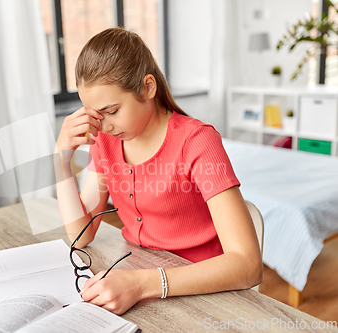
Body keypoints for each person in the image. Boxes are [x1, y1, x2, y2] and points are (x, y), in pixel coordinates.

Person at [54, 27, 262, 315]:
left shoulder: (197, 142)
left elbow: (248, 265)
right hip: (139, 285)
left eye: (112, 111)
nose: (104, 125)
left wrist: (142, 284)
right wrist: (60, 162)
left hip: (202, 296)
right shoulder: (105, 140)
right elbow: (82, 233)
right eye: (95, 115)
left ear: (147, 87)